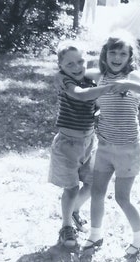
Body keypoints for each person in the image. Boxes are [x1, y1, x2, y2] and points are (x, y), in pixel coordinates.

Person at [81, 31, 140, 259]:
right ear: (105, 54)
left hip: (128, 148)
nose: (117, 57)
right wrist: (66, 74)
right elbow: (73, 73)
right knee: (97, 192)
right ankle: (95, 234)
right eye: (113, 52)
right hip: (105, 146)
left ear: (129, 57)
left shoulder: (134, 76)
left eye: (122, 53)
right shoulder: (99, 75)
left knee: (122, 198)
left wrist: (129, 84)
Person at [48, 40, 118, 249]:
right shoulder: (66, 81)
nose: (77, 67)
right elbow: (80, 95)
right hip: (67, 145)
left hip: (89, 142)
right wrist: (107, 88)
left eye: (81, 61)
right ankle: (66, 226)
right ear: (61, 67)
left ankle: (74, 211)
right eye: (70, 64)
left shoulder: (91, 80)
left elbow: (94, 102)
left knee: (93, 184)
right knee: (71, 188)